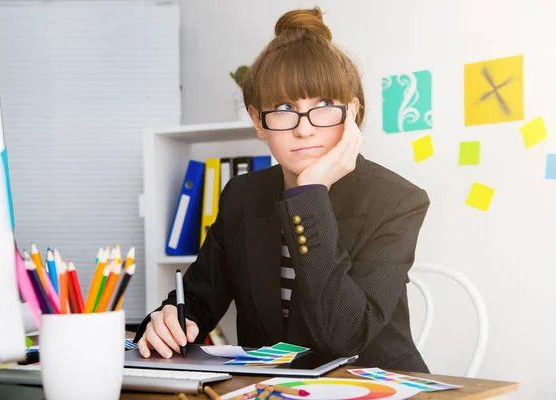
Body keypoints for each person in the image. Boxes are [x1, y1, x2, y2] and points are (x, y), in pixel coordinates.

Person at [134, 7, 431, 372]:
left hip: (379, 386)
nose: (304, 129)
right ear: (258, 120)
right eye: (285, 108)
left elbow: (345, 336)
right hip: (272, 389)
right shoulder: (242, 196)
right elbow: (196, 299)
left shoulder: (396, 200)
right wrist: (167, 322)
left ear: (351, 113)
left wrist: (309, 196)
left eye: (323, 106)